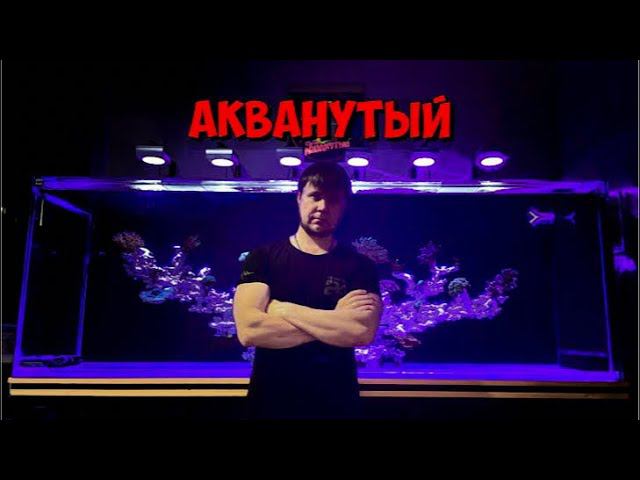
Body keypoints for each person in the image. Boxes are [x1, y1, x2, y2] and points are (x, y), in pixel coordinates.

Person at [233, 162, 382, 419]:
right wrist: (335, 322)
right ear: (299, 197)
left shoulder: (360, 266)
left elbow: (360, 332)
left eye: (333, 200)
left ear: (343, 206)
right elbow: (250, 330)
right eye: (315, 196)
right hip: (271, 403)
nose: (323, 207)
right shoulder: (262, 258)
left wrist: (283, 309)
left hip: (337, 406)